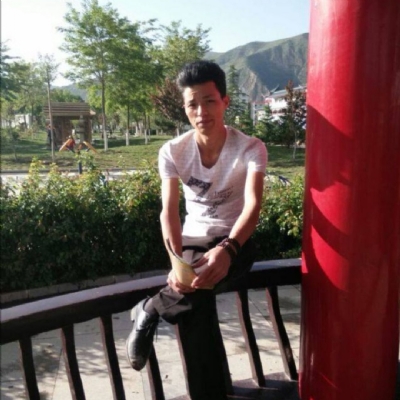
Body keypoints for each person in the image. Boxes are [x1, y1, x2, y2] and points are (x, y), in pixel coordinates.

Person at [126, 60, 268, 399]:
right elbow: (169, 211)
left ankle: (151, 309)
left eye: (209, 101)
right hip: (194, 240)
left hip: (237, 240)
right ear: (184, 107)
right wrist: (177, 263)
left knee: (195, 292)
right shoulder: (172, 151)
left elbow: (253, 206)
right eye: (193, 104)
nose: (201, 111)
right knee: (195, 299)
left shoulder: (251, 148)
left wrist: (229, 248)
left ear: (225, 102)